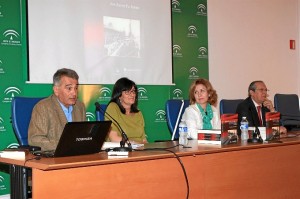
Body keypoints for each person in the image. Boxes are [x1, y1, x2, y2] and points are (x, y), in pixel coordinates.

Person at [28, 68, 86, 151]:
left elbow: (83, 136)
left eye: (76, 88)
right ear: (56, 90)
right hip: (53, 157)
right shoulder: (43, 107)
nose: (74, 93)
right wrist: (65, 144)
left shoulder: (80, 106)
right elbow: (35, 139)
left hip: (77, 155)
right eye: (69, 88)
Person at [105, 77, 147, 144]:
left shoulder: (138, 113)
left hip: (139, 149)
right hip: (120, 150)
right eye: (127, 92)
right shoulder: (113, 107)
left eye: (133, 91)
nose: (132, 94)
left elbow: (144, 140)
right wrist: (134, 143)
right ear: (119, 95)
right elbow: (114, 138)